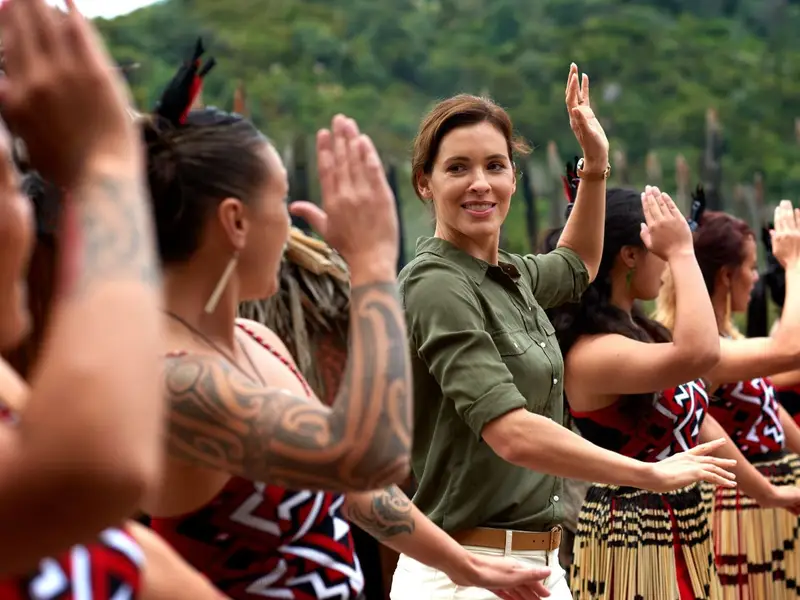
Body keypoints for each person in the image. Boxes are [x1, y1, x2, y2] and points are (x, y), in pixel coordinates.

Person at [143, 46, 551, 600]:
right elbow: (368, 459)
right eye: (282, 200)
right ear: (236, 221)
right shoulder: (175, 380)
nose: (291, 224)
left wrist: (467, 567)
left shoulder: (257, 340)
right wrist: (370, 265)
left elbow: (357, 492)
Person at [393, 64, 737, 599]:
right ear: (424, 182)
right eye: (457, 167)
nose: (480, 183)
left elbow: (578, 260)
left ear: (513, 178)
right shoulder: (436, 285)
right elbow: (509, 431)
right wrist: (649, 474)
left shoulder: (512, 276)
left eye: (495, 165)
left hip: (538, 564)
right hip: (466, 573)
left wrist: (595, 165)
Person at [545, 185, 800, 599]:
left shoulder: (645, 339)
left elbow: (699, 428)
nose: (666, 264)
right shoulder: (592, 354)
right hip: (632, 545)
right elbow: (700, 353)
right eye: (658, 251)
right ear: (630, 255)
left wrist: (769, 494)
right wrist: (683, 251)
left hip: (683, 529)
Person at [653, 200, 800, 598]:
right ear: (725, 276)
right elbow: (793, 346)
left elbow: (773, 416)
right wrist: (794, 263)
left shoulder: (729, 342)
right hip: (738, 517)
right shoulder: (702, 354)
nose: (756, 278)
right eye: (751, 267)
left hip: (769, 510)